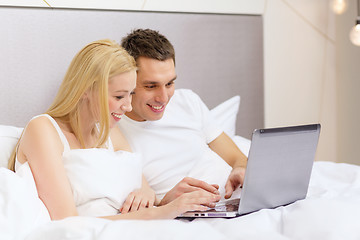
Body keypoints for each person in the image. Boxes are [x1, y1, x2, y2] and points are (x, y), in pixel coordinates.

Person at [7, 39, 220, 220]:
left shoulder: (108, 133)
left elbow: (145, 192)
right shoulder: (43, 130)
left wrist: (167, 201)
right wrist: (163, 212)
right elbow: (67, 222)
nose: (127, 106)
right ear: (86, 90)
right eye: (119, 96)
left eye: (130, 94)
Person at [118, 29, 248, 206]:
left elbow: (237, 158)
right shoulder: (114, 130)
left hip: (236, 201)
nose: (163, 98)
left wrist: (240, 168)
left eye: (170, 83)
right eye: (151, 86)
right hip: (187, 214)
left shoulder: (187, 101)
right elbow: (145, 204)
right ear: (127, 81)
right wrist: (165, 204)